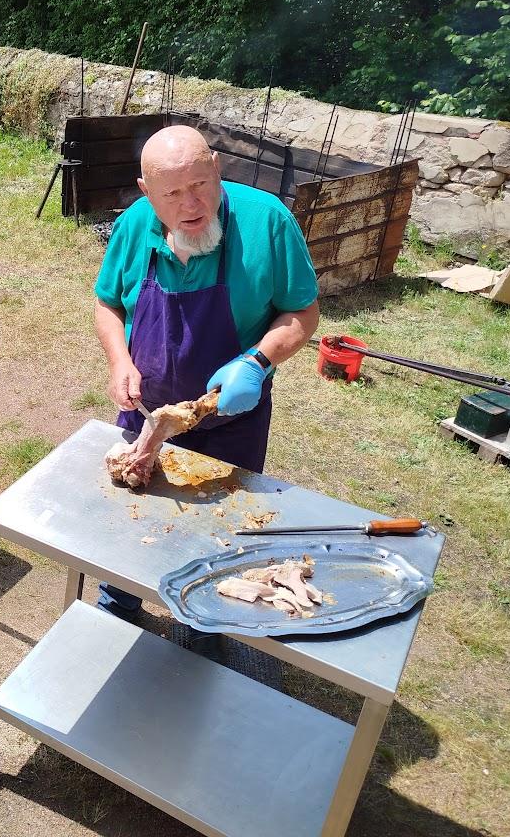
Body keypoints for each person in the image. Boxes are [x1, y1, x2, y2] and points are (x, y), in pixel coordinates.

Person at [93, 125, 320, 653]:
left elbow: (302, 311)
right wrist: (120, 360)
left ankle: (199, 623)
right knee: (134, 507)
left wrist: (258, 361)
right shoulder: (133, 226)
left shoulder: (268, 222)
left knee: (217, 528)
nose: (191, 204)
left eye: (200, 183)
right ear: (146, 190)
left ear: (217, 166)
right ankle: (120, 597)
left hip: (231, 417)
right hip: (146, 410)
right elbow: (108, 303)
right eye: (171, 193)